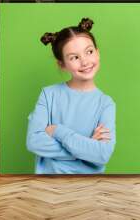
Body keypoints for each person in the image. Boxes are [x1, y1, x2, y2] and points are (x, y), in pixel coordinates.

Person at [26, 18, 116, 174]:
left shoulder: (106, 103)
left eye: (89, 51)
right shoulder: (48, 94)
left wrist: (57, 131)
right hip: (51, 188)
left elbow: (102, 154)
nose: (85, 61)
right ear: (62, 64)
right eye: (74, 57)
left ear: (97, 52)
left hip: (91, 188)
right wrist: (86, 148)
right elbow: (34, 142)